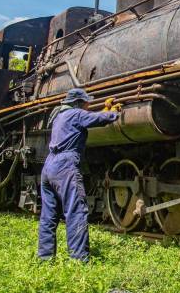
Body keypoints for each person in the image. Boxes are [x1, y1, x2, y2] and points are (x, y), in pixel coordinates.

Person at [37, 88, 120, 261]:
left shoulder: (60, 116)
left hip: (48, 166)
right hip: (65, 166)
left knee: (48, 215)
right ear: (78, 103)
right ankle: (79, 260)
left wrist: (103, 110)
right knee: (75, 211)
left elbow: (88, 118)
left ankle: (44, 258)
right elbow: (97, 119)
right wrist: (112, 113)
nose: (88, 106)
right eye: (86, 103)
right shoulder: (76, 114)